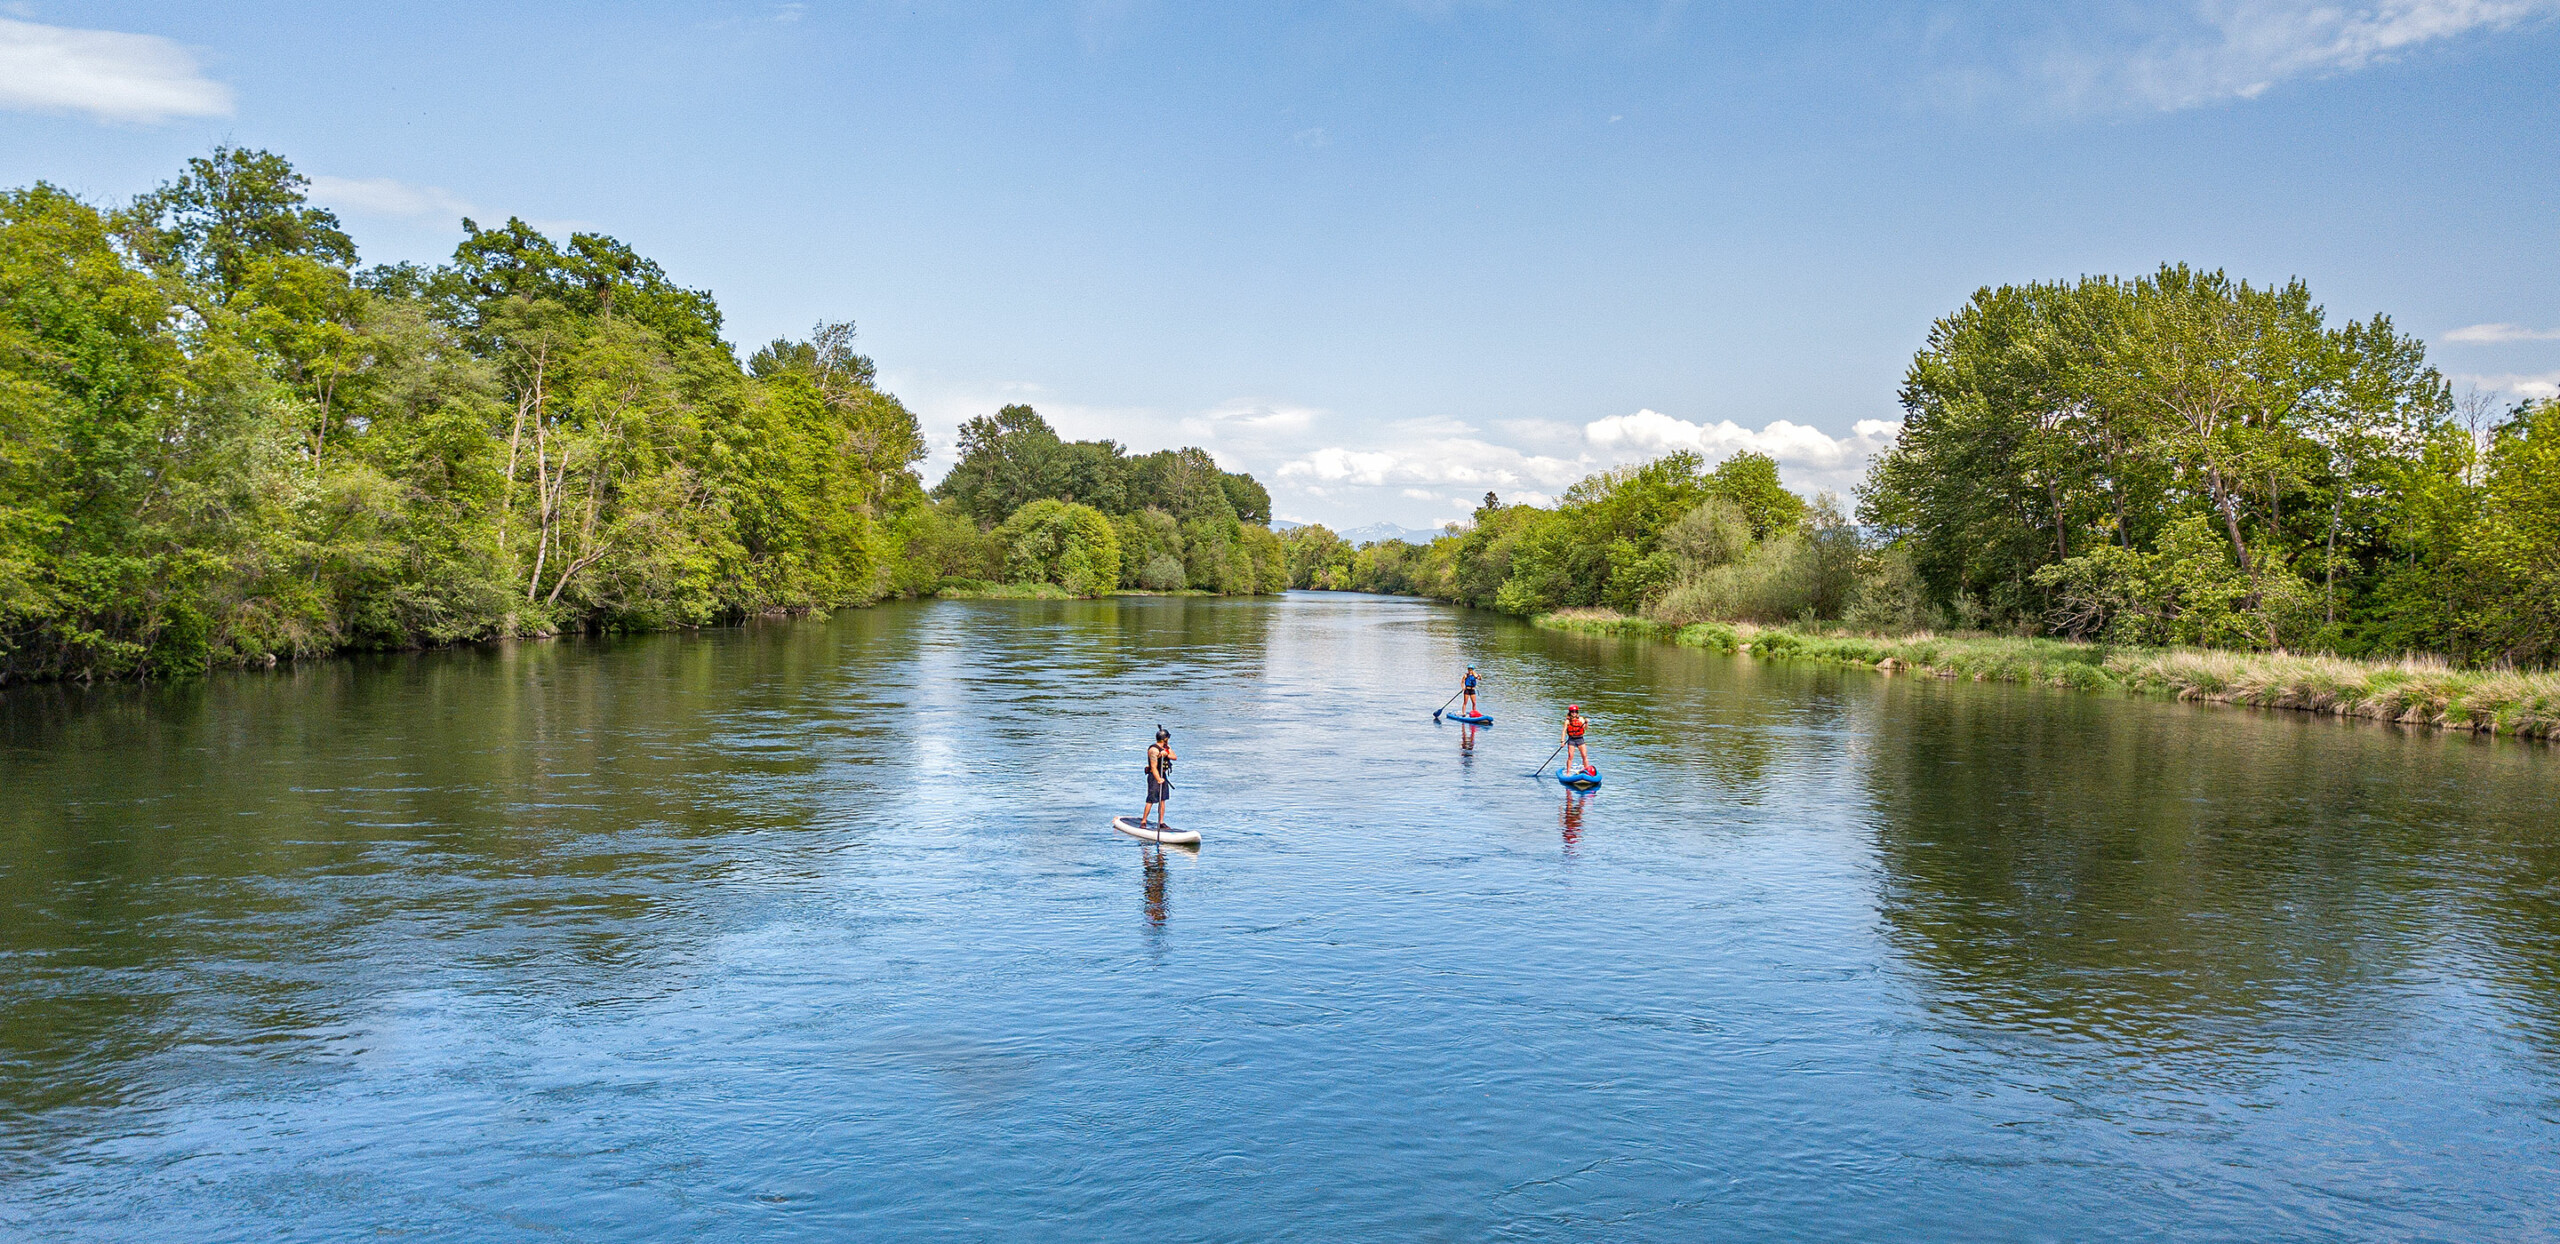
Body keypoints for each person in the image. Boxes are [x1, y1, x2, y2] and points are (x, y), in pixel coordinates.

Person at [1140, 726, 1176, 829]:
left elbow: (1174, 757)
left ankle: (1161, 822)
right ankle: (1143, 821)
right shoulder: (1153, 750)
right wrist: (1158, 779)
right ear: (1165, 739)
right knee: (1151, 799)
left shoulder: (1166, 748)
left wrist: (1166, 754)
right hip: (1154, 776)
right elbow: (1154, 767)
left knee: (1163, 799)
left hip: (1163, 775)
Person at [1562, 704, 1594, 775]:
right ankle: (1568, 772)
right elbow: (1564, 731)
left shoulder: (1581, 719)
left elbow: (1585, 728)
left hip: (1580, 739)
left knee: (1584, 755)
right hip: (1571, 739)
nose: (1574, 713)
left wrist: (1586, 723)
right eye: (1572, 711)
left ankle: (1587, 771)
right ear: (1570, 712)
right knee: (1570, 756)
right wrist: (1562, 741)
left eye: (1575, 711)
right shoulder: (1567, 721)